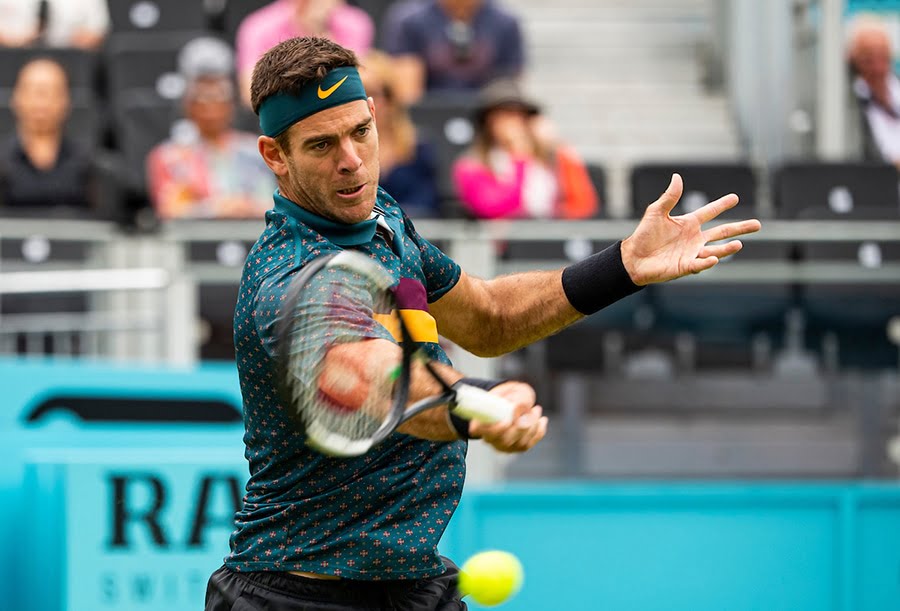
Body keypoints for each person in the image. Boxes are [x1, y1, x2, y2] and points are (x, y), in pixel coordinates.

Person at [205, 36, 760, 610]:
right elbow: (371, 379)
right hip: (294, 596)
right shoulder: (285, 277)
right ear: (275, 155)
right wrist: (482, 404)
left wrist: (621, 267)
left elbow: (489, 316)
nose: (350, 159)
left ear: (375, 115)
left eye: (359, 132)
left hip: (414, 586)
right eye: (321, 144)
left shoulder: (384, 218)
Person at [146, 37, 276, 220]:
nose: (210, 106)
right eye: (202, 97)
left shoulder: (257, 151)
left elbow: (274, 205)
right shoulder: (169, 157)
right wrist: (217, 208)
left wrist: (244, 206)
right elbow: (170, 210)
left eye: (219, 95)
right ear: (187, 103)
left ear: (232, 103)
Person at [452, 78, 599, 220]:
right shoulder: (472, 164)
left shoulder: (547, 157)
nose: (513, 123)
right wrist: (519, 159)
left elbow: (583, 204)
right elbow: (494, 209)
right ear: (488, 122)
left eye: (520, 115)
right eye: (505, 115)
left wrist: (559, 146)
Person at [0, 57, 96, 214]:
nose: (41, 102)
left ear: (66, 101)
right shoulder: (2, 162)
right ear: (15, 99)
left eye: (50, 92)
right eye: (32, 91)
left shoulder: (89, 168)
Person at [383, 0, 525, 104]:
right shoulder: (411, 20)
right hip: (428, 114)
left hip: (486, 117)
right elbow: (408, 97)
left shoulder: (505, 23)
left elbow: (508, 91)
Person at [236, 0, 374, 107]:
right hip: (287, 118)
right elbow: (250, 92)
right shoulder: (259, 27)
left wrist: (319, 26)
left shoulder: (354, 22)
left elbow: (357, 80)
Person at [359, 50, 440, 217]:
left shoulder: (418, 148)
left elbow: (425, 205)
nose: (365, 102)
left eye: (373, 93)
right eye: (359, 93)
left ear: (391, 100)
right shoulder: (343, 151)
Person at [846, 14, 900, 166]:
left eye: (883, 57)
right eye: (868, 60)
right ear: (854, 62)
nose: (878, 68)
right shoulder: (850, 107)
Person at [0, 0, 109, 49]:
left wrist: (61, 44)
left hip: (67, 57)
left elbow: (97, 31)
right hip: (14, 56)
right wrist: (19, 41)